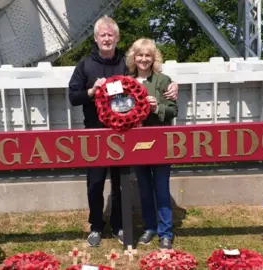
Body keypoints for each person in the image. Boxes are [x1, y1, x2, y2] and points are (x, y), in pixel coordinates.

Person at [68, 16, 179, 248]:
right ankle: (96, 226)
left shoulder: (124, 66)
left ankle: (119, 225)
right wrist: (91, 91)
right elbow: (73, 97)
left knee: (121, 183)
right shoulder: (84, 65)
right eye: (103, 35)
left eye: (111, 35)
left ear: (117, 38)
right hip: (96, 134)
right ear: (96, 38)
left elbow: (148, 77)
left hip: (124, 135)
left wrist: (173, 86)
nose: (107, 39)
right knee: (95, 183)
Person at [125, 38, 178, 249]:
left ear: (153, 58)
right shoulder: (126, 82)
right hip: (136, 142)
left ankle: (166, 232)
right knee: (144, 188)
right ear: (134, 58)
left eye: (148, 55)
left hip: (160, 141)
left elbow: (174, 111)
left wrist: (157, 108)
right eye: (140, 55)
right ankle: (150, 227)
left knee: (162, 188)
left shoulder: (164, 81)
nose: (144, 59)